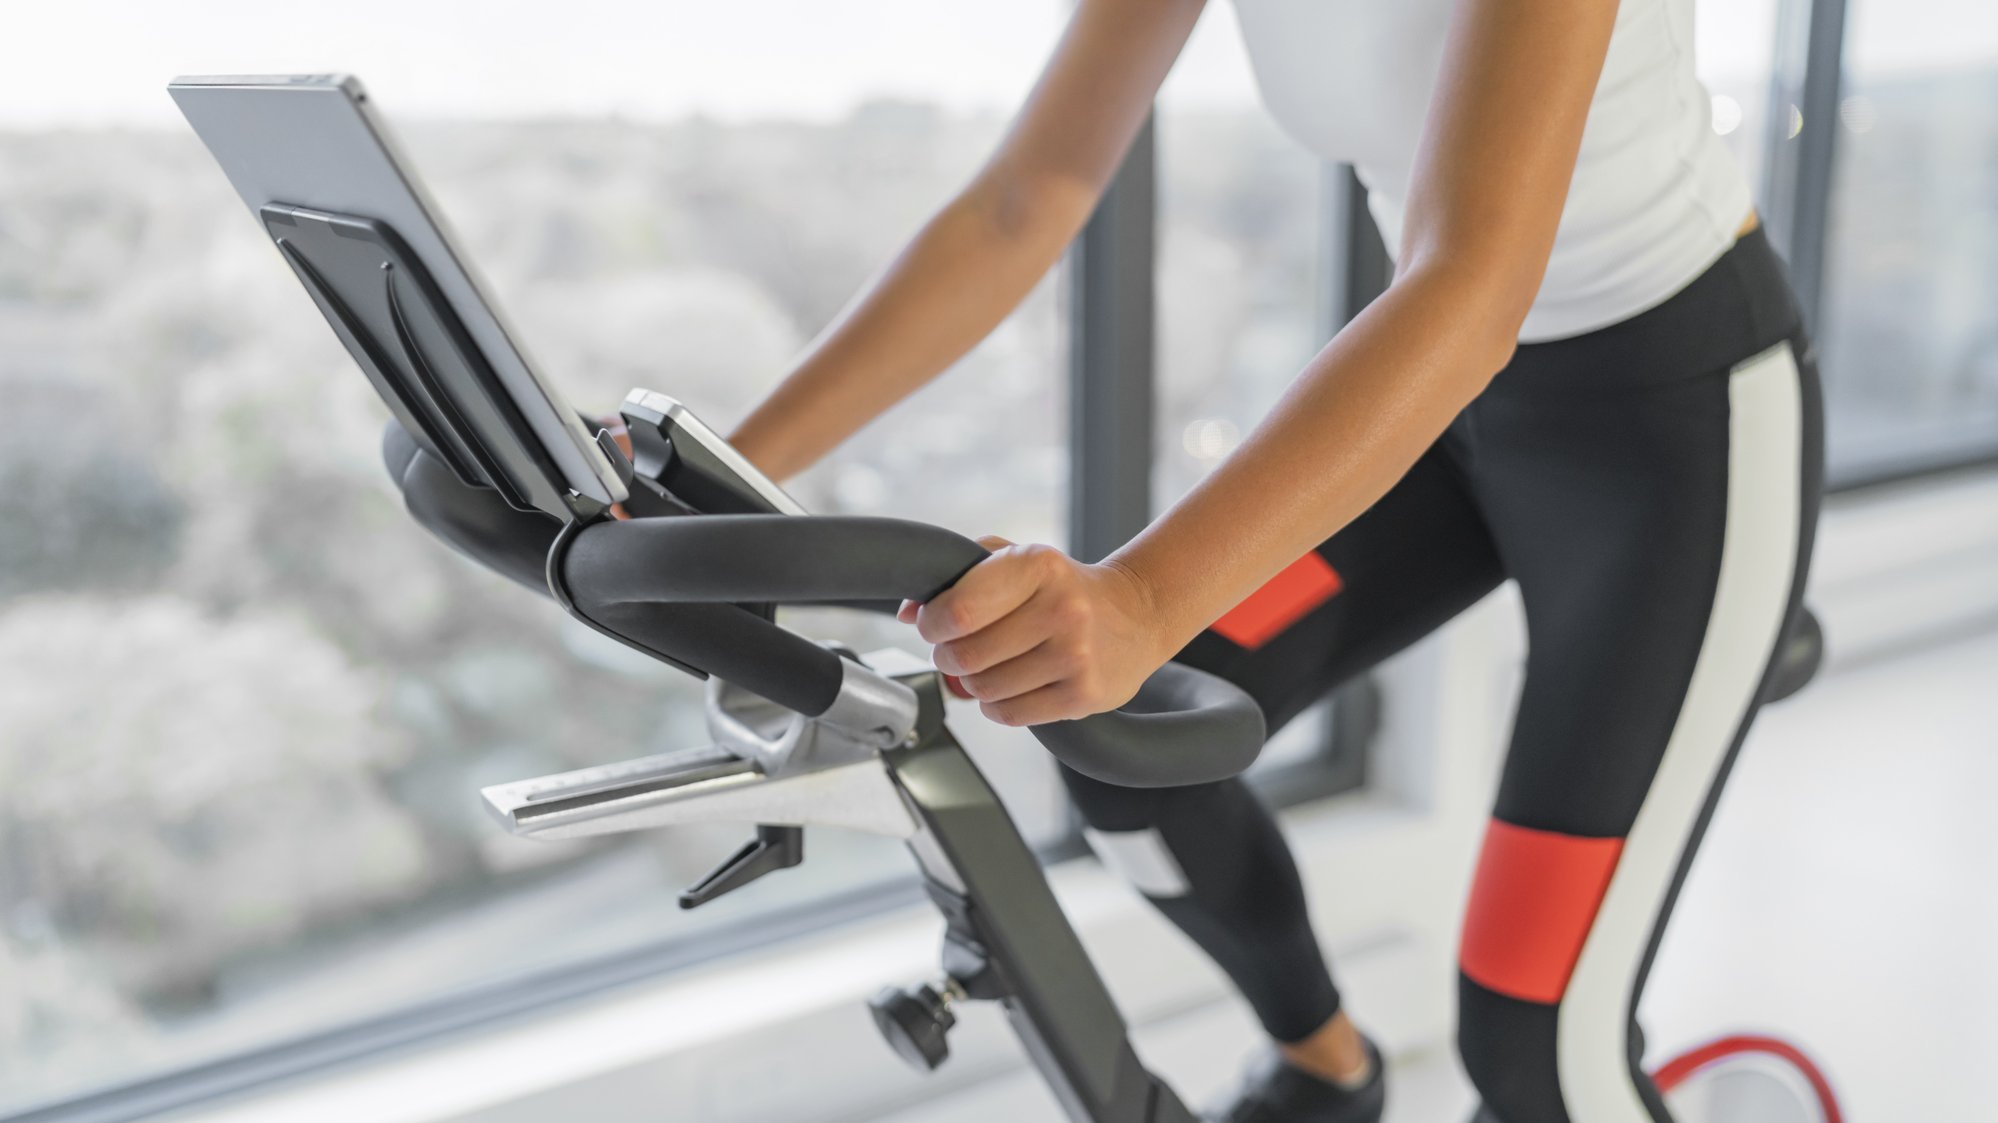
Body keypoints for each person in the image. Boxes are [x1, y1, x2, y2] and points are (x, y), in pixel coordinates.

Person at [728, 0, 1822, 1120]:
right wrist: (719, 474)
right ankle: (1329, 1072)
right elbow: (1026, 198)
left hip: (1673, 439)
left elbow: (1471, 280)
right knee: (1132, 754)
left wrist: (1144, 600)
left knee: (1533, 1049)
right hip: (1447, 420)